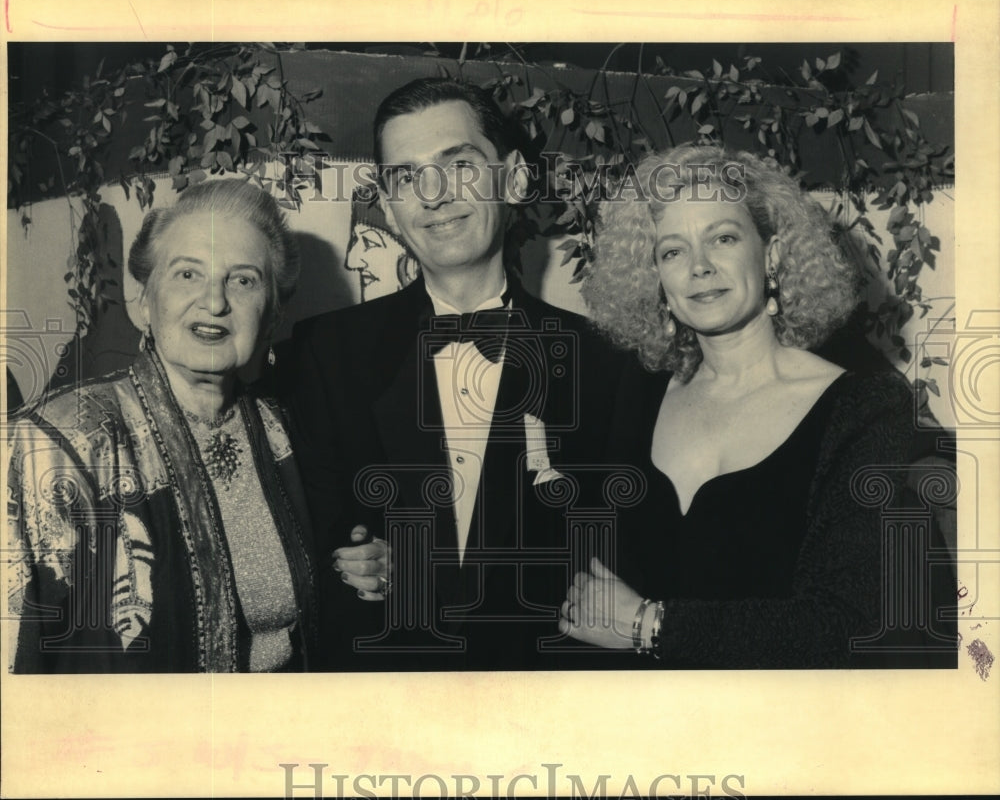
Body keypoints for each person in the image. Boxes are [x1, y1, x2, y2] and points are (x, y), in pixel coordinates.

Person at [560, 144, 956, 668]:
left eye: (723, 238)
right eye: (673, 251)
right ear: (655, 276)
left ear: (771, 253)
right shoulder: (634, 390)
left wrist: (649, 625)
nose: (699, 267)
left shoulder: (864, 408)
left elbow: (845, 623)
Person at [280, 77, 630, 669]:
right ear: (389, 208)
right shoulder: (323, 353)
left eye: (459, 164)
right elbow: (295, 542)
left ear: (515, 178)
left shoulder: (607, 365)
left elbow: (622, 559)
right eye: (406, 177)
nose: (434, 195)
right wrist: (345, 560)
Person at [7, 180, 324, 672]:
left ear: (273, 312)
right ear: (142, 301)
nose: (214, 302)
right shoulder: (50, 446)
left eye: (243, 280)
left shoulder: (282, 430)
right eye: (187, 274)